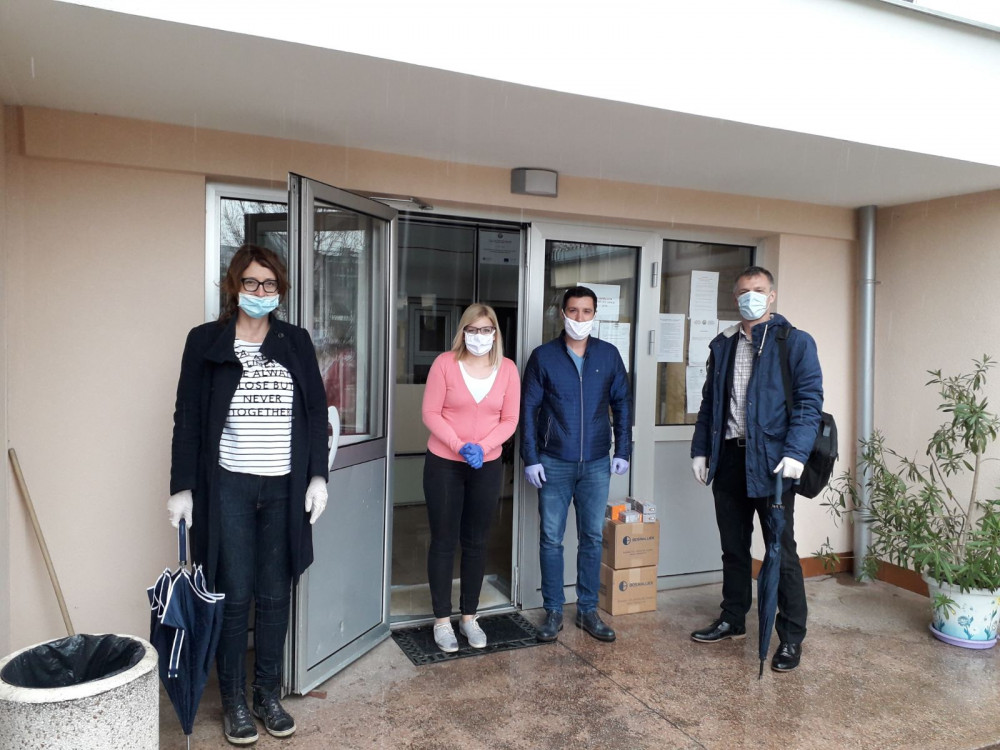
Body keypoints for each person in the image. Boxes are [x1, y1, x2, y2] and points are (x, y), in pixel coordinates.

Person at [167, 244, 330, 745]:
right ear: (234, 286)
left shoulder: (294, 341)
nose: (261, 291)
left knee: (276, 594)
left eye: (270, 284)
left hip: (283, 487)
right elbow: (188, 418)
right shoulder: (206, 341)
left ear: (280, 290)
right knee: (235, 595)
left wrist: (318, 476)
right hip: (229, 488)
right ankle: (234, 700)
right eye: (252, 282)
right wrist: (182, 488)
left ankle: (267, 695)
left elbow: (315, 412)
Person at [689, 265, 823, 673]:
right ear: (735, 297)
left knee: (781, 553)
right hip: (729, 459)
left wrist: (796, 453)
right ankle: (733, 618)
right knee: (733, 547)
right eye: (745, 291)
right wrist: (701, 450)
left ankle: (791, 637)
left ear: (772, 295)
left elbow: (809, 402)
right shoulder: (723, 344)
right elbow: (711, 403)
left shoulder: (794, 342)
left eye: (759, 290)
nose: (752, 297)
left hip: (773, 464)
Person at [521, 286, 632, 643]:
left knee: (592, 538)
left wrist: (623, 451)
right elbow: (528, 409)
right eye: (573, 311)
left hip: (597, 463)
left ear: (594, 315)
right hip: (554, 461)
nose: (579, 318)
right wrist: (531, 457)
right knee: (551, 539)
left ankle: (587, 610)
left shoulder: (609, 355)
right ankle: (553, 610)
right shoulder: (543, 357)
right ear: (562, 314)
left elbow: (623, 404)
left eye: (586, 311)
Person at [421, 304, 521, 653]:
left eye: (486, 330)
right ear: (463, 332)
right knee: (443, 540)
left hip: (486, 465)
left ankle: (468, 617)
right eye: (473, 330)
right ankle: (441, 620)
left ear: (495, 333)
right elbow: (430, 412)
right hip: (444, 463)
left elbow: (510, 419)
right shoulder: (445, 364)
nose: (480, 337)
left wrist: (484, 447)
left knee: (477, 541)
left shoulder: (507, 369)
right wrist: (460, 445)